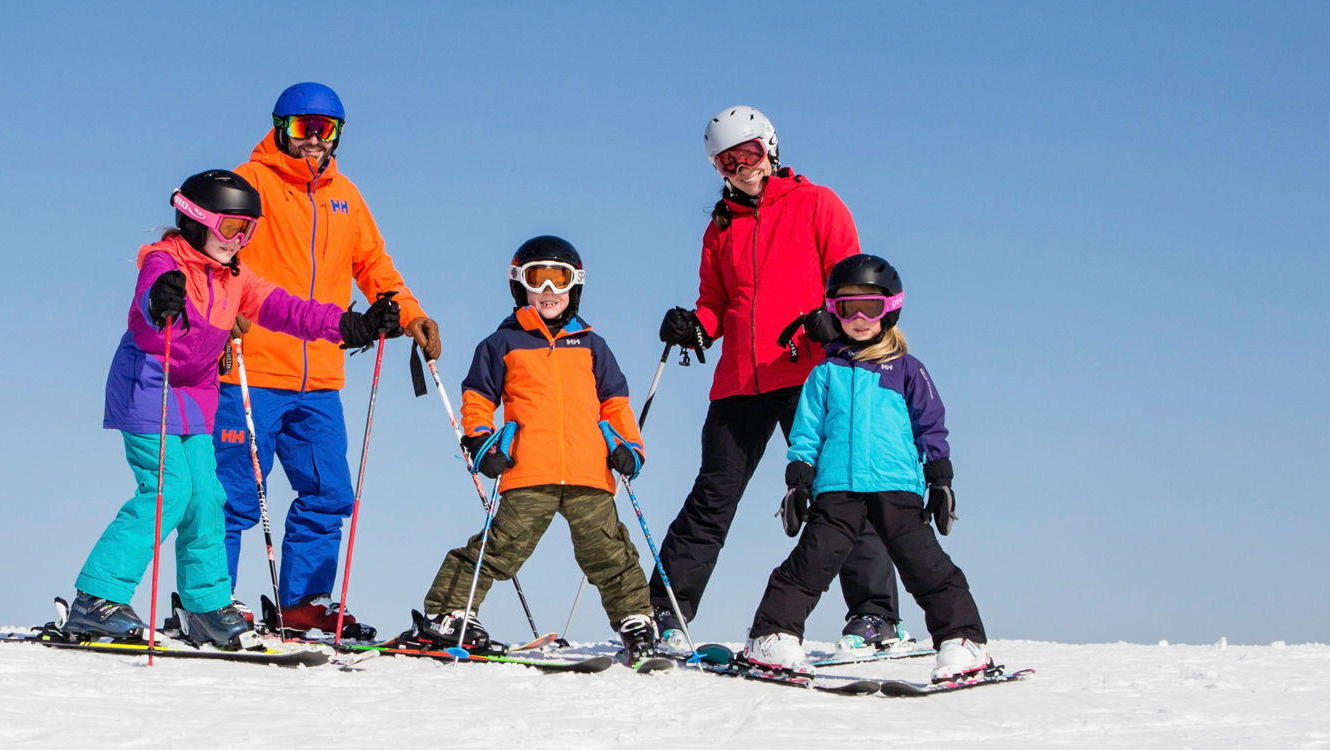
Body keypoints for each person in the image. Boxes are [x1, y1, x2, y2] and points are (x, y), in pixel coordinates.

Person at [51, 170, 400, 650]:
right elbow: (148, 306)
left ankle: (206, 607)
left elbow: (288, 309)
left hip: (196, 396)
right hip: (151, 386)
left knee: (208, 498)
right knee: (169, 490)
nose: (240, 240)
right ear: (197, 221)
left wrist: (348, 325)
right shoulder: (164, 261)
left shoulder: (234, 275)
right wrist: (160, 300)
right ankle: (97, 598)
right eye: (232, 228)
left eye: (249, 230)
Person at [648, 105, 898, 653]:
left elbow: (850, 283)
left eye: (749, 154)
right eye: (726, 162)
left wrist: (831, 320)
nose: (741, 167)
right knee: (712, 497)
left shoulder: (818, 204)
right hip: (740, 380)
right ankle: (664, 614)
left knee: (841, 488)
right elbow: (715, 306)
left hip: (810, 372)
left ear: (771, 149)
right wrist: (694, 326)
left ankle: (875, 616)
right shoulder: (720, 228)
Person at [220, 82, 442, 635]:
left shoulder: (347, 196)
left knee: (329, 494)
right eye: (303, 129)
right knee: (235, 496)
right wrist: (222, 316)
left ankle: (303, 605)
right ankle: (209, 602)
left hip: (320, 378)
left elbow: (375, 267)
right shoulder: (250, 184)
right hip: (250, 369)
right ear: (279, 128)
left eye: (326, 130)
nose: (315, 141)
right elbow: (217, 255)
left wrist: (410, 315)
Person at [736, 254, 993, 682]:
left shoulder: (908, 370)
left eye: (870, 307)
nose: (858, 317)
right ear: (832, 311)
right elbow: (806, 431)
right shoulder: (825, 373)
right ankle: (772, 635)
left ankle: (963, 640)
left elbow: (931, 424)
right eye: (846, 307)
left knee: (925, 564)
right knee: (810, 563)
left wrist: (940, 479)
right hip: (837, 488)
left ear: (890, 309)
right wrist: (798, 481)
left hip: (896, 486)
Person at [408, 236, 663, 661]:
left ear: (574, 286)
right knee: (501, 547)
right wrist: (479, 440)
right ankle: (450, 612)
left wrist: (630, 447)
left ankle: (636, 617)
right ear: (518, 284)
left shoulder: (592, 345)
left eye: (558, 279)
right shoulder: (502, 344)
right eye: (536, 278)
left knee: (609, 551)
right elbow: (477, 398)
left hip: (588, 471)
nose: (548, 290)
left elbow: (615, 403)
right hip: (529, 469)